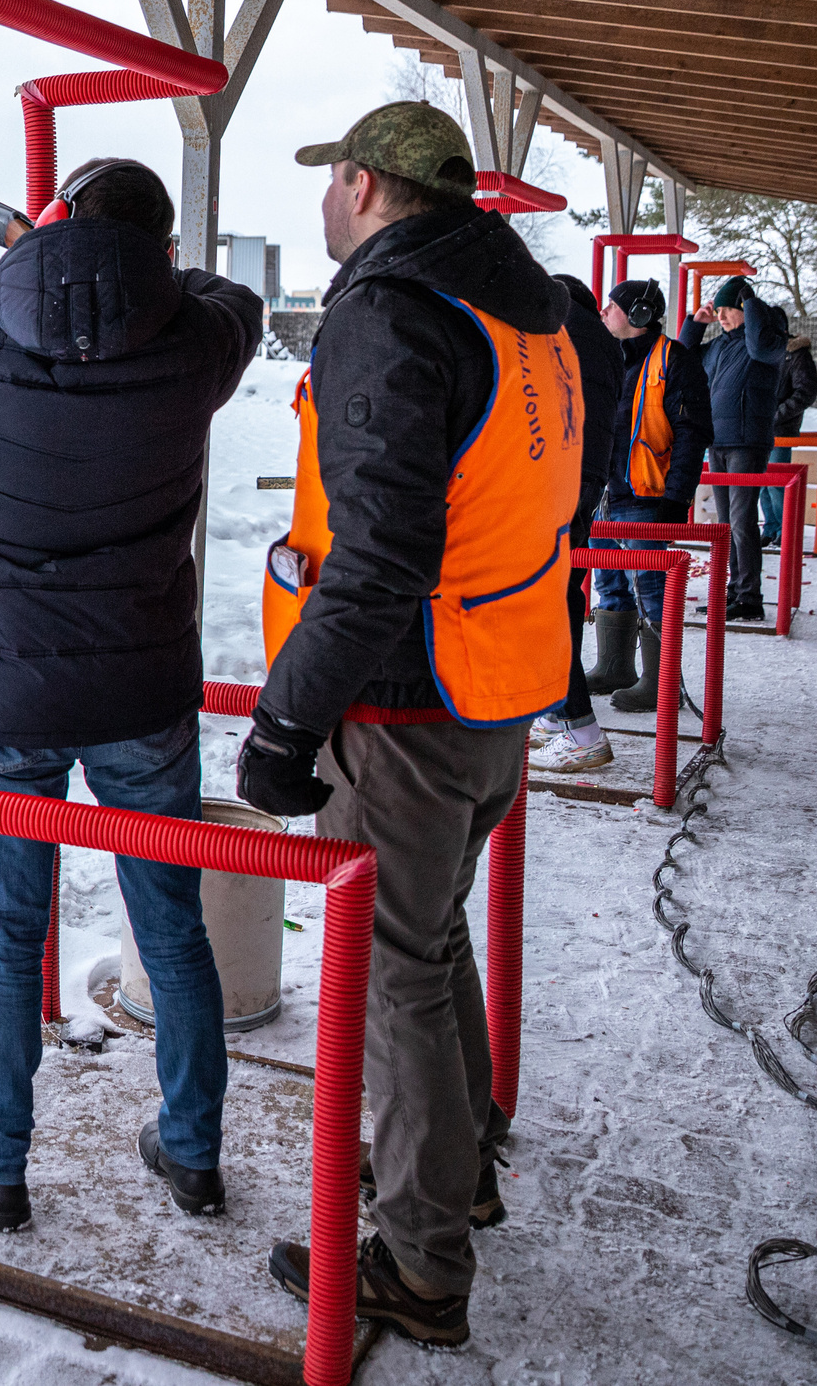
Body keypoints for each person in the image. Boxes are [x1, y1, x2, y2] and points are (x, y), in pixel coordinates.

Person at [240, 101, 579, 1350]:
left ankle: (421, 1264)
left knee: (396, 982)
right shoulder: (526, 306)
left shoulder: (387, 313)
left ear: (369, 187)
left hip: (404, 702)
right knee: (429, 952)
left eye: (331, 181)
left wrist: (287, 724)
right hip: (494, 684)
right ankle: (461, 1176)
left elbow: (379, 557)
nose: (324, 205)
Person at [0, 157, 263, 1232]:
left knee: (5, 941)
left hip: (8, 702)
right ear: (160, 254)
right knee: (174, 932)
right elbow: (233, 297)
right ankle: (191, 1155)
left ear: (51, 227)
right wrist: (92, 266)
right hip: (144, 691)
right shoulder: (195, 349)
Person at [586, 279, 711, 716]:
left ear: (638, 316)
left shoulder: (676, 360)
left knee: (653, 591)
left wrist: (676, 500)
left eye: (612, 306)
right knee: (609, 584)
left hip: (647, 496)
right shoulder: (607, 358)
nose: (603, 312)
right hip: (604, 495)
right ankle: (615, 665)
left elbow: (693, 435)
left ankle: (660, 683)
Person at [525, 273, 622, 773]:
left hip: (556, 475)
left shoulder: (559, 331)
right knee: (566, 592)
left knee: (547, 600)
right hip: (587, 477)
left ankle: (581, 727)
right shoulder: (602, 341)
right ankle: (555, 713)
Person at [678, 275, 789, 620]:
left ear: (745, 310)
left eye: (728, 310)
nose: (722, 317)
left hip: (747, 442)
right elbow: (682, 359)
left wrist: (751, 304)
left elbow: (759, 346)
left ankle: (749, 597)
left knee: (741, 522)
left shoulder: (767, 340)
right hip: (719, 442)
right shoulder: (720, 346)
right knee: (725, 525)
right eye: (720, 310)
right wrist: (695, 324)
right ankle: (732, 592)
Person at [763, 332, 817, 551]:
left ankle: (783, 531)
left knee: (776, 482)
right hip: (761, 426)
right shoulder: (765, 350)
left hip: (780, 428)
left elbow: (805, 391)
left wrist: (777, 415)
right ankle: (770, 528)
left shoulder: (797, 354)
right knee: (761, 484)